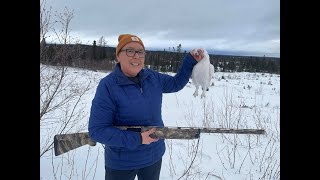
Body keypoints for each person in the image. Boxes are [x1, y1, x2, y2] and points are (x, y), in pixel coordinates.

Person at [88, 34, 204, 180]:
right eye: (130, 51)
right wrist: (138, 139)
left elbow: (175, 83)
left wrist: (190, 61)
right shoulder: (108, 86)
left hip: (153, 156)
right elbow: (97, 131)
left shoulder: (152, 77)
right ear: (118, 56)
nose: (136, 56)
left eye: (140, 52)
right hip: (122, 162)